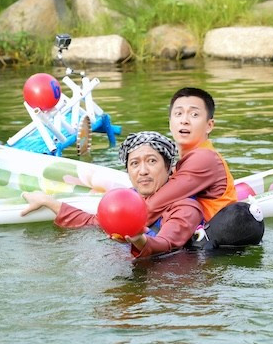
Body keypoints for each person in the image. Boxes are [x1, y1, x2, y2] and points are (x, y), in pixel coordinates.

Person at [20, 131, 202, 259]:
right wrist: (49, 202)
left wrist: (140, 240)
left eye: (152, 161)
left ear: (168, 167)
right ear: (128, 171)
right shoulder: (130, 198)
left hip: (166, 280)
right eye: (135, 163)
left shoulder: (185, 207)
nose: (143, 171)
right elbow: (94, 222)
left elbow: (166, 243)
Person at [142, 87, 237, 224]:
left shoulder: (204, 158)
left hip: (212, 236)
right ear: (170, 124)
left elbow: (150, 208)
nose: (184, 120)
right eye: (178, 113)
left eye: (194, 115)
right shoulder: (184, 162)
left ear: (209, 125)